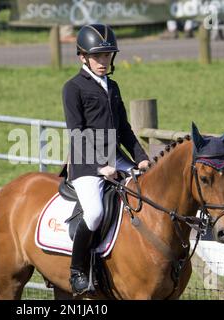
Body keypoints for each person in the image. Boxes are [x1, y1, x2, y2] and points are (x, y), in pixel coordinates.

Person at [62, 24, 150, 295]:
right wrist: (101, 166)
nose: (104, 61)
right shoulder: (73, 88)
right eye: (98, 56)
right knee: (96, 212)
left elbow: (124, 129)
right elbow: (77, 133)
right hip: (87, 163)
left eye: (108, 55)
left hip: (115, 158)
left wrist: (141, 159)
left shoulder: (113, 86)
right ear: (82, 57)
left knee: (148, 190)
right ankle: (77, 270)